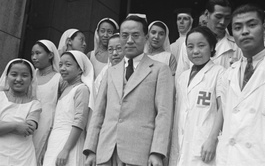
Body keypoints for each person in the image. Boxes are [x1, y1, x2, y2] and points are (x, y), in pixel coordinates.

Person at [205, 4, 265, 166]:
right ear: (233, 34)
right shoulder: (229, 74)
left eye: (251, 25)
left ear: (263, 28)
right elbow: (227, 120)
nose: (244, 31)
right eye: (237, 27)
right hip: (233, 158)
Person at [83, 14, 174, 166]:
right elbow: (99, 113)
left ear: (145, 37)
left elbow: (164, 114)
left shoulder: (160, 70)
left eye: (136, 35)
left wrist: (157, 152)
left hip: (140, 153)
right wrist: (91, 150)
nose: (130, 40)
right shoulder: (110, 71)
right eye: (125, 35)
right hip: (106, 152)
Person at [169, 26, 224, 166]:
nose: (195, 51)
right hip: (181, 144)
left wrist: (212, 139)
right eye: (190, 46)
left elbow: (222, 108)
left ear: (212, 47)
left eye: (201, 46)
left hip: (205, 144)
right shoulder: (182, 77)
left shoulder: (219, 73)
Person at [43, 51, 95, 166]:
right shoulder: (66, 89)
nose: (62, 68)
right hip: (55, 141)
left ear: (80, 69)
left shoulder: (81, 89)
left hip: (70, 142)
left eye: (68, 64)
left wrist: (66, 149)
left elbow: (79, 121)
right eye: (60, 65)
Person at [175, 0, 241, 80]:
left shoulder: (237, 46)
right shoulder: (188, 44)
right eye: (218, 17)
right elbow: (180, 78)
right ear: (207, 14)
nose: (222, 22)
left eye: (227, 18)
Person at [0, 58, 41, 166]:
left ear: (31, 78)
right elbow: (21, 127)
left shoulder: (35, 104)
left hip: (23, 158)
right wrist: (15, 125)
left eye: (24, 75)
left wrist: (3, 125)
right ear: (7, 76)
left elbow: (28, 129)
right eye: (14, 74)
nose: (18, 79)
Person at [31, 40, 61, 166]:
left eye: (38, 53)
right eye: (32, 53)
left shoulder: (59, 78)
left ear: (50, 55)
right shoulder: (29, 75)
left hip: (46, 126)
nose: (34, 57)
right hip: (27, 125)